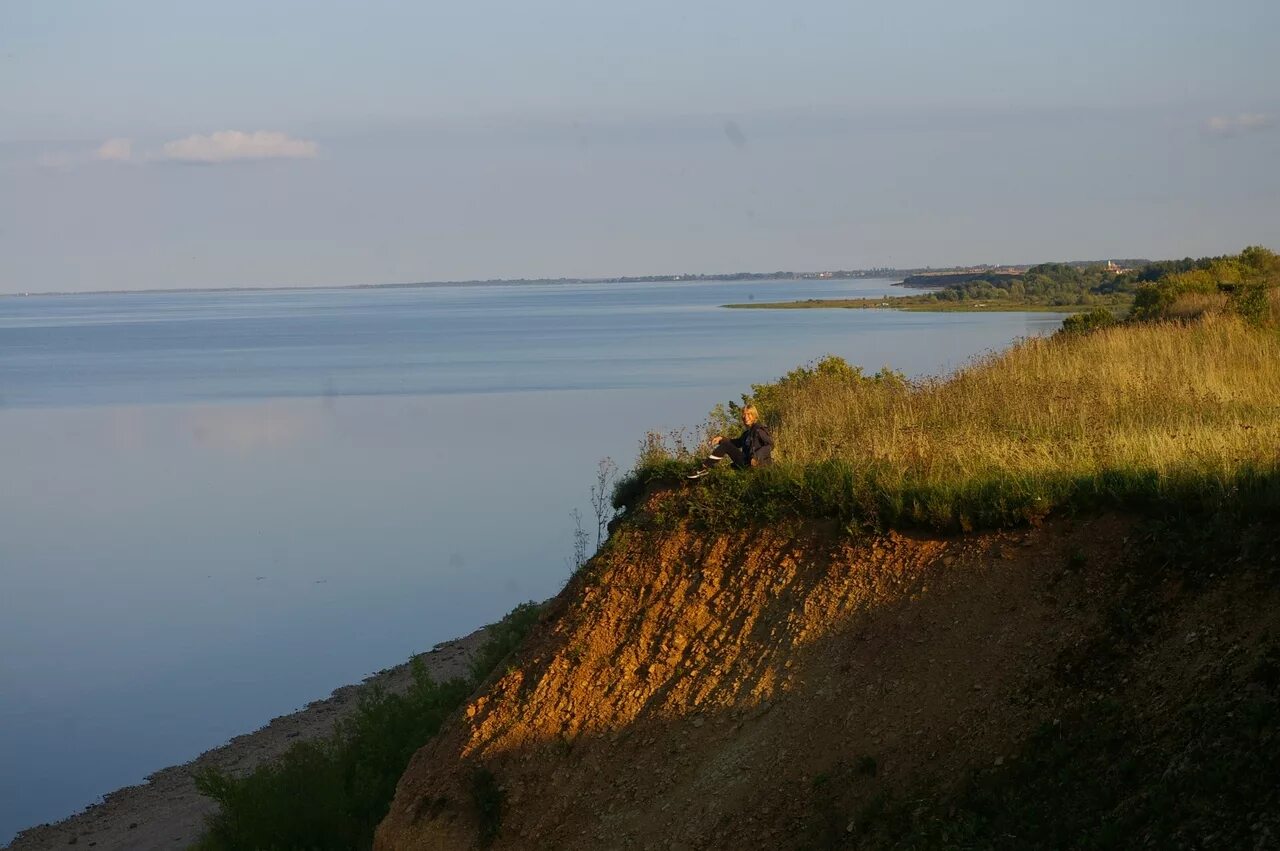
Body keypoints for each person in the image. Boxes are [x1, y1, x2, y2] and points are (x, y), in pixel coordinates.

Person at [687, 404, 773, 478]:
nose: (746, 417)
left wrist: (756, 457)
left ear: (754, 416)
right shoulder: (747, 433)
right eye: (744, 415)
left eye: (749, 414)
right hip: (746, 462)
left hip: (757, 464)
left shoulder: (759, 430)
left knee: (726, 446)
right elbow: (737, 443)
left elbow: (769, 445)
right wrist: (721, 439)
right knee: (726, 445)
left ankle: (704, 468)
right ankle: (705, 467)